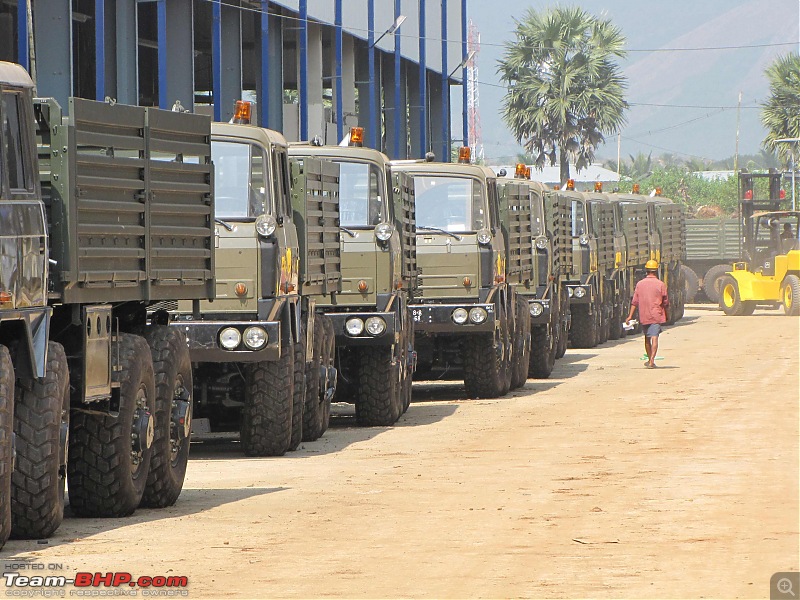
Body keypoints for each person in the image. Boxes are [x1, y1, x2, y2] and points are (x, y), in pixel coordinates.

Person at [626, 260, 669, 369]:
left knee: (647, 338)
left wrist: (630, 316)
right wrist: (667, 314)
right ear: (656, 270)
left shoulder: (640, 284)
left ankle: (650, 359)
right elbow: (665, 302)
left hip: (644, 314)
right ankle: (652, 360)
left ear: (646, 270)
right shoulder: (660, 284)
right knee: (655, 338)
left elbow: (634, 302)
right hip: (656, 314)